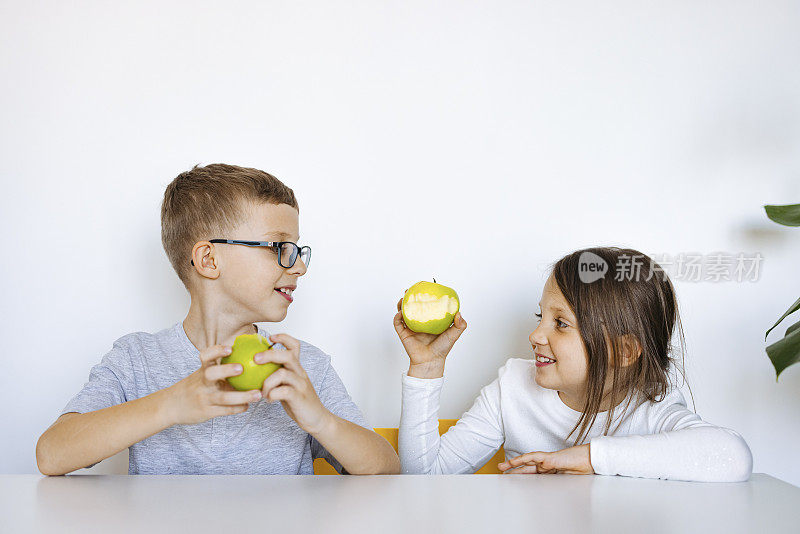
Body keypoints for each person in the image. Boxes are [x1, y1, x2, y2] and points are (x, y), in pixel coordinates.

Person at [36, 163, 400, 475]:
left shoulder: (302, 368)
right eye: (279, 248)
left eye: (298, 250)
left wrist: (320, 419)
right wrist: (172, 403)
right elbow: (52, 454)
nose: (300, 266)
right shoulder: (137, 360)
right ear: (209, 260)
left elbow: (387, 467)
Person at [395, 247, 752, 481]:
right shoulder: (514, 388)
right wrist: (426, 368)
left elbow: (732, 456)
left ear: (624, 352)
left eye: (560, 324)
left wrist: (590, 458)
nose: (535, 334)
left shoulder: (651, 409)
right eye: (541, 316)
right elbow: (424, 477)